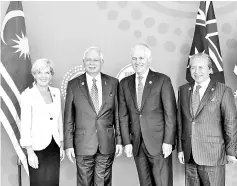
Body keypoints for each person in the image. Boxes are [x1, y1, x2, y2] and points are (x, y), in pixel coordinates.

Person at [64, 46, 123, 186]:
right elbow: (68, 118)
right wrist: (68, 144)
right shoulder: (73, 84)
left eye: (95, 60)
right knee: (84, 183)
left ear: (102, 61)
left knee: (103, 183)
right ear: (83, 62)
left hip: (106, 143)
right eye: (88, 60)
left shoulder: (114, 83)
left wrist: (119, 140)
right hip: (82, 144)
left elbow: (117, 114)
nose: (92, 63)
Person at [119, 44, 176, 186]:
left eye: (141, 58)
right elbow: (123, 115)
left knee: (162, 183)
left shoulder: (162, 80)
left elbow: (170, 113)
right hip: (137, 144)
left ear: (149, 59)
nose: (138, 62)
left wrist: (168, 141)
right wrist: (126, 142)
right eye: (134, 58)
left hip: (159, 144)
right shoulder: (124, 83)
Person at [177, 53, 237, 186]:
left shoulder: (223, 90)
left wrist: (231, 151)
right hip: (190, 154)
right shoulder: (183, 90)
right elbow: (181, 122)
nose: (196, 72)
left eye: (200, 67)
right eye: (193, 68)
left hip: (213, 155)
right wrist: (181, 148)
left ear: (210, 69)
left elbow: (230, 122)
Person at [20, 58, 65, 186]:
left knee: (53, 182)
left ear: (51, 75)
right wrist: (29, 152)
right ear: (34, 75)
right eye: (39, 72)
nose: (43, 76)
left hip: (54, 146)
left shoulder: (56, 92)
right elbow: (25, 125)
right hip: (36, 149)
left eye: (47, 72)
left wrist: (61, 143)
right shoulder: (27, 95)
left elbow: (59, 120)